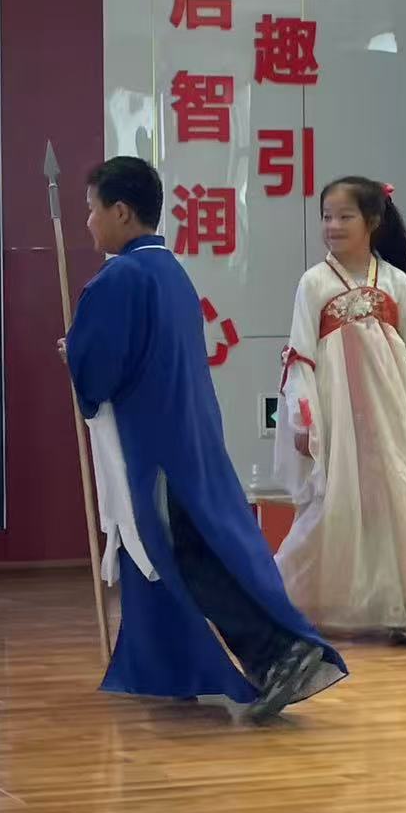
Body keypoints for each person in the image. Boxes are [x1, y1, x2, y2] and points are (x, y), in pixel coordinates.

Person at [61, 157, 345, 720]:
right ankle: (185, 667)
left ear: (121, 212)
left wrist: (75, 353)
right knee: (195, 547)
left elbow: (100, 371)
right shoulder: (171, 272)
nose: (88, 222)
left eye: (92, 210)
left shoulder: (120, 278)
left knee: (189, 556)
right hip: (190, 435)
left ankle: (279, 651)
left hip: (156, 446)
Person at [275, 177, 406, 643]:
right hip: (339, 414)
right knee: (332, 503)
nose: (333, 225)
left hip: (394, 415)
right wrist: (303, 417)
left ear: (372, 221)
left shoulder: (394, 281)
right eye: (327, 216)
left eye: (344, 216)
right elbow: (300, 357)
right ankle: (292, 603)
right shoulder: (314, 282)